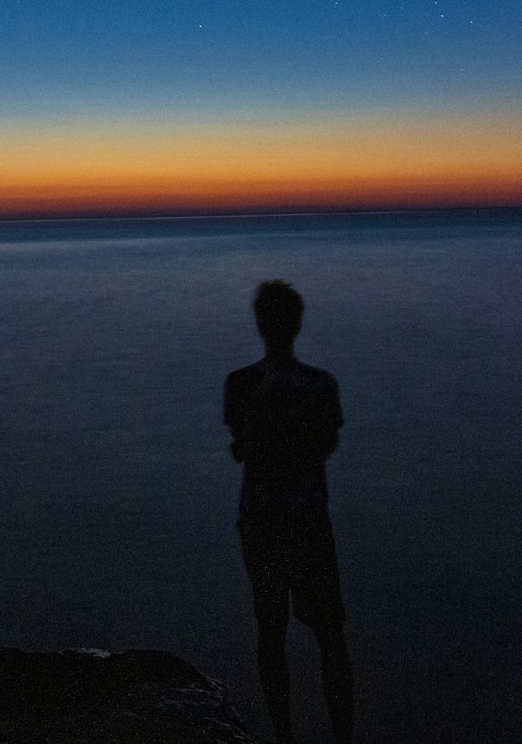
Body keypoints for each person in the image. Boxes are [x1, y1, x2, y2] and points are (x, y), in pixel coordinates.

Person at [224, 280, 353, 744]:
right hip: (308, 520)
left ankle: (284, 735)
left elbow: (241, 447)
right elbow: (325, 445)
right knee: (330, 635)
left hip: (260, 520)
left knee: (271, 628)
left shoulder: (240, 385)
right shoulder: (320, 387)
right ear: (298, 324)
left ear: (260, 324)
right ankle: (343, 736)